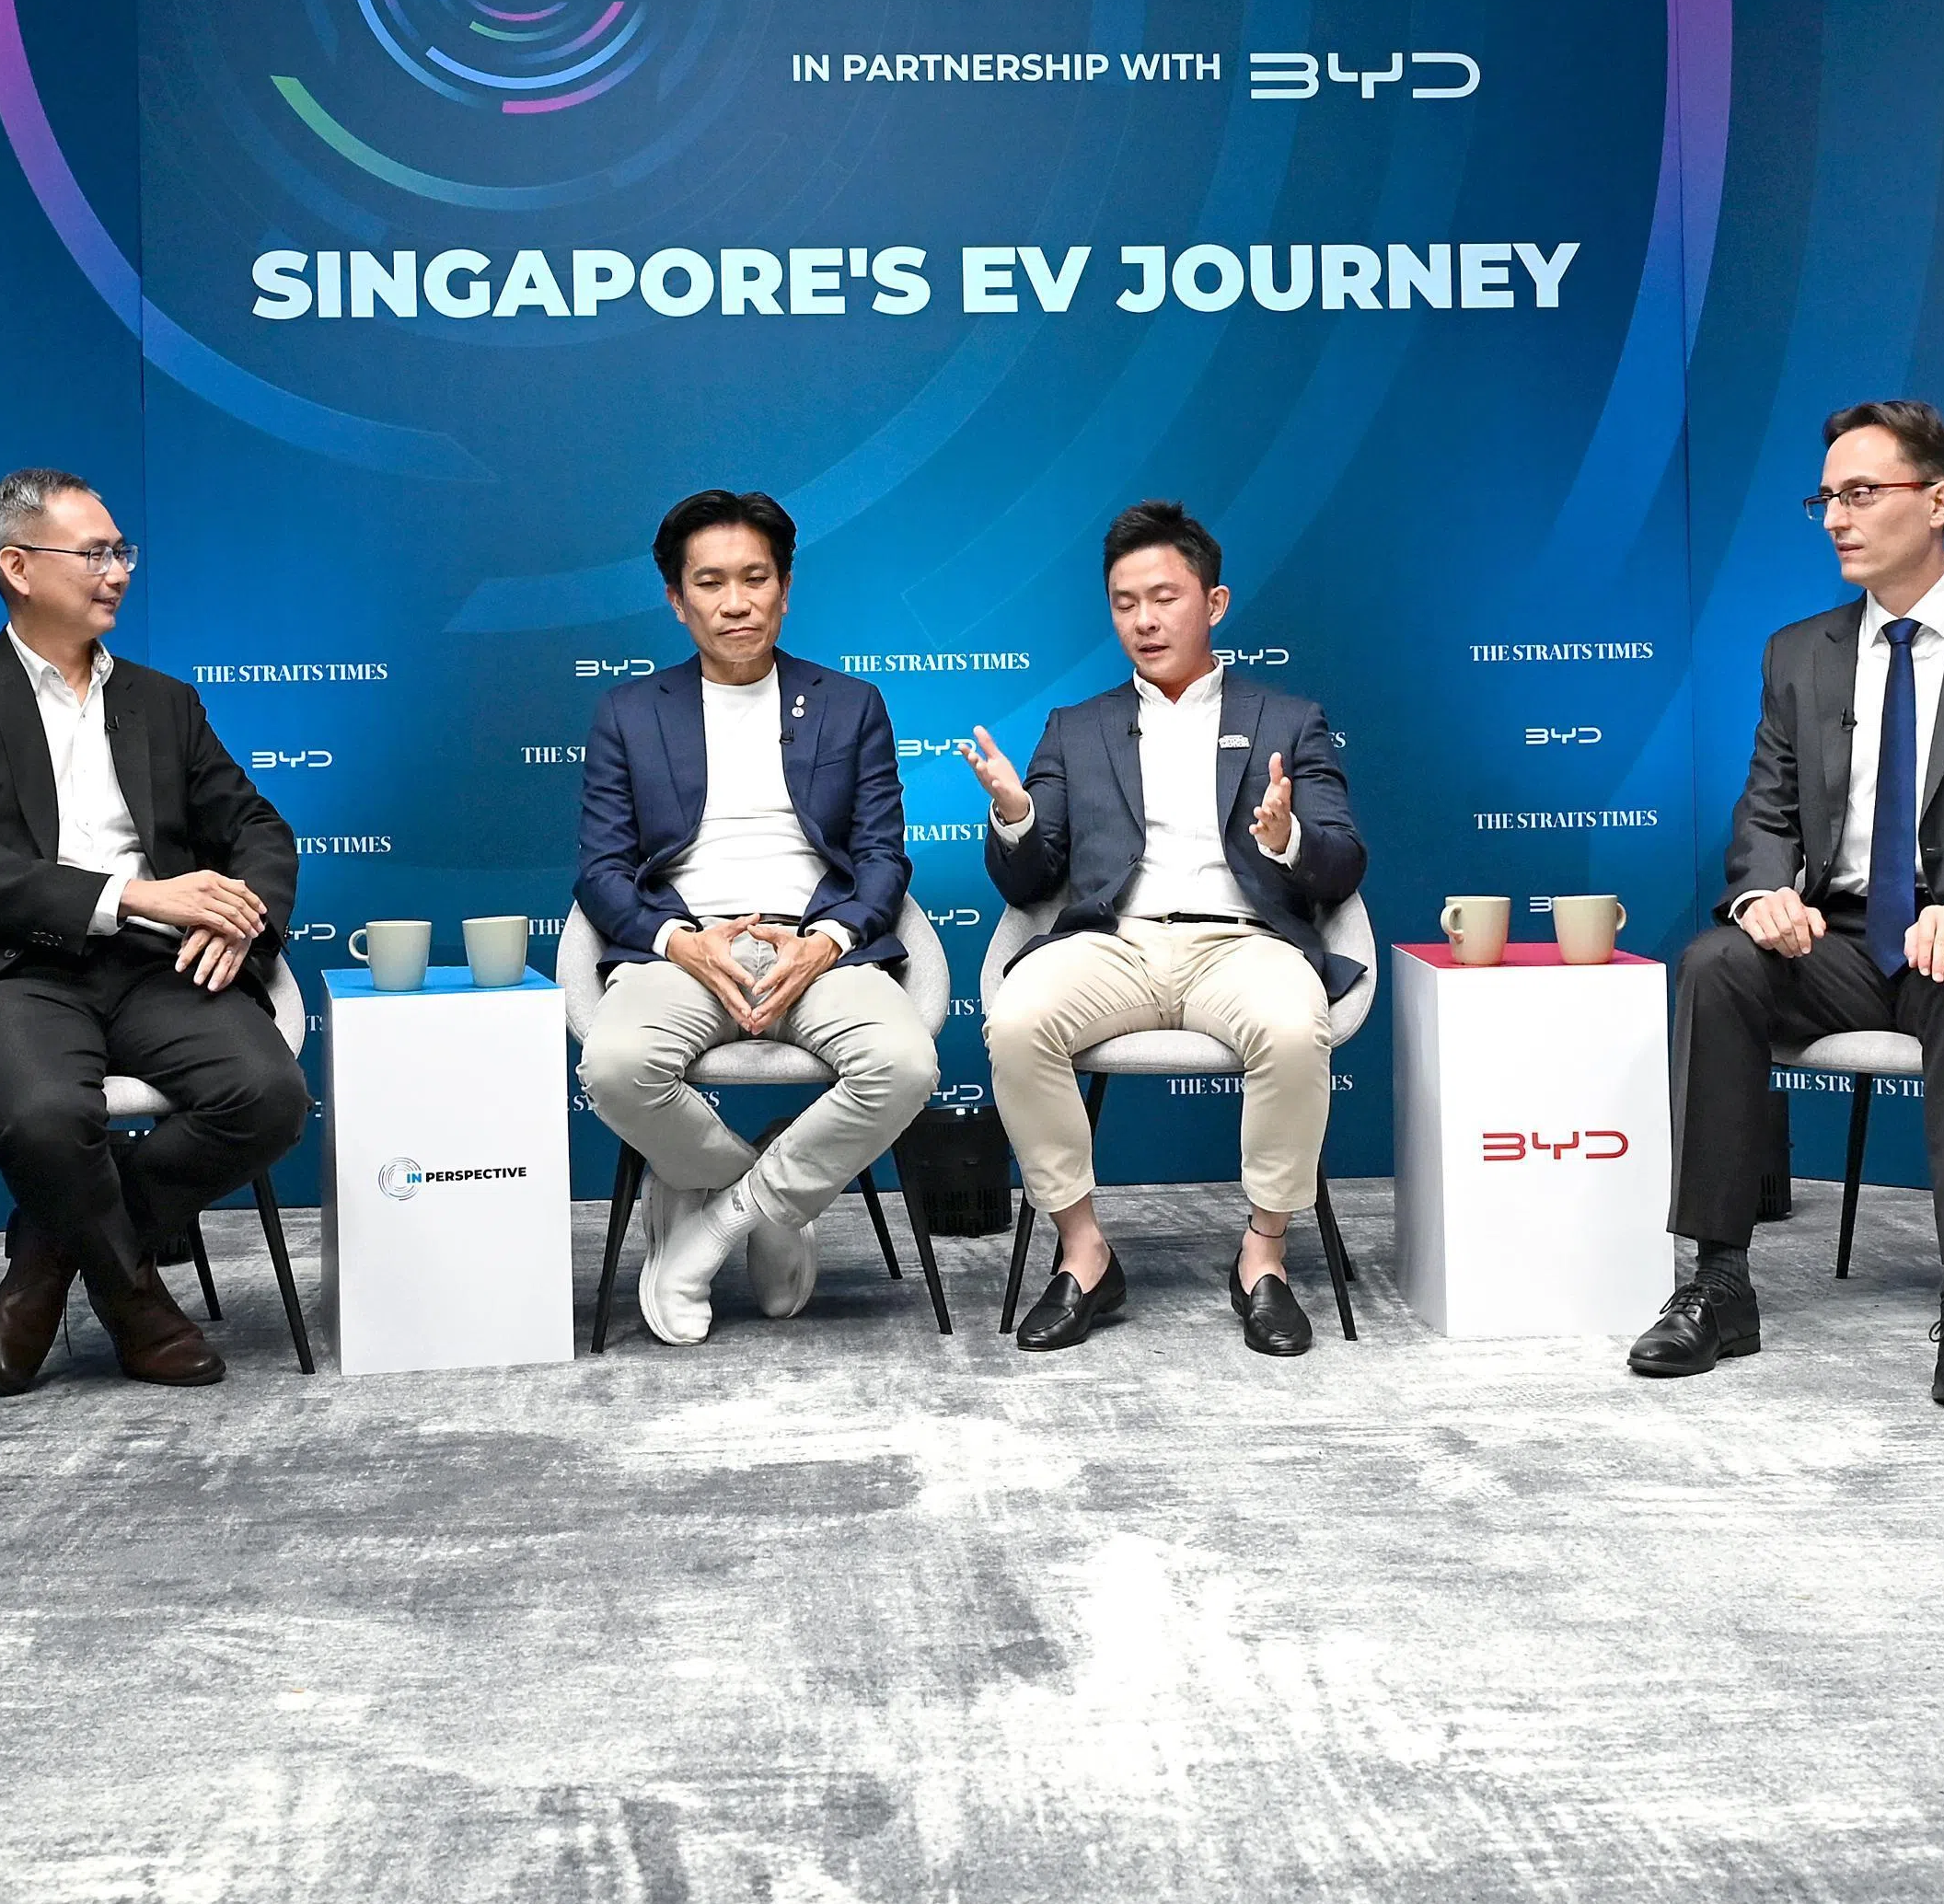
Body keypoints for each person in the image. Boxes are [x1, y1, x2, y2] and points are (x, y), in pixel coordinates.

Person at [1637, 402, 1944, 1411]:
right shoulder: (1799, 651)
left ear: (1939, 501)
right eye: (1827, 499)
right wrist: (1765, 894)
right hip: (1843, 938)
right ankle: (1717, 1282)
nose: (1839, 518)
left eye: (1862, 494)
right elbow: (1763, 810)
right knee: (1717, 964)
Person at [0, 469, 311, 1396]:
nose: (117, 571)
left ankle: (46, 1253)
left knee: (268, 1096)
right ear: (18, 567)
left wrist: (244, 917)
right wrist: (139, 895)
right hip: (7, 966)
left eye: (123, 552)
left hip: (152, 969)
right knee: (42, 1119)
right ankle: (136, 1302)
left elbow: (259, 831)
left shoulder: (164, 702)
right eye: (95, 553)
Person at [970, 502, 1367, 1356]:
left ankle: (1263, 1258)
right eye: (1123, 602)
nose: (1144, 621)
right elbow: (1028, 880)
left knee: (1296, 1028)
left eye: (1164, 597)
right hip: (1114, 942)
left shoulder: (1287, 720)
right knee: (1015, 1019)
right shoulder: (1074, 728)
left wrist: (1286, 839)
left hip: (1244, 942)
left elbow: (1343, 866)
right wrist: (1013, 816)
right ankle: (1083, 1254)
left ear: (1213, 603)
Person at [576, 490, 932, 1344]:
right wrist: (680, 944)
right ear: (676, 598)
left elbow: (882, 856)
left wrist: (826, 943)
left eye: (754, 578)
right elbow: (600, 869)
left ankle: (720, 1222)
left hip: (816, 942)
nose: (735, 602)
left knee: (904, 1065)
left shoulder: (850, 703)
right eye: (711, 583)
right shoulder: (629, 713)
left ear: (784, 588)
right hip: (685, 943)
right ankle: (774, 1200)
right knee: (618, 1067)